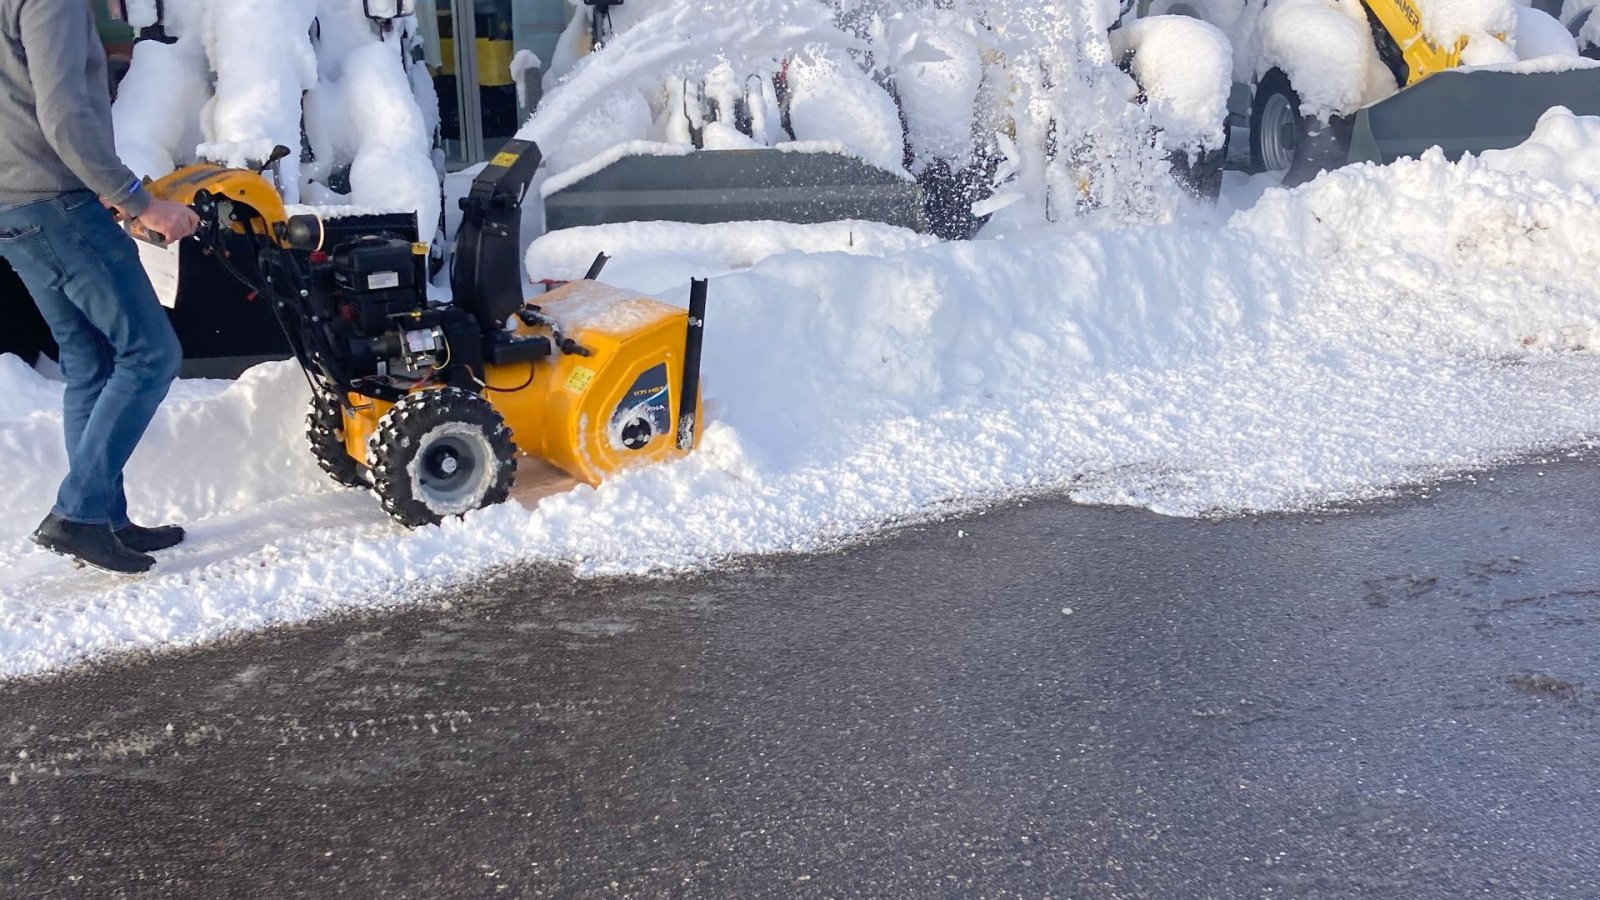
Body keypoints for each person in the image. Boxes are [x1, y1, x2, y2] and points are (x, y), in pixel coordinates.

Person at [0, 0, 201, 575]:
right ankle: (78, 515)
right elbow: (64, 114)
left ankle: (105, 518)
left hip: (15, 207)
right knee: (150, 353)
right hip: (54, 199)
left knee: (91, 359)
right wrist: (135, 201)